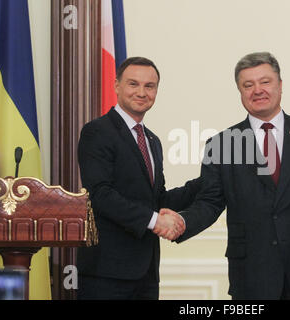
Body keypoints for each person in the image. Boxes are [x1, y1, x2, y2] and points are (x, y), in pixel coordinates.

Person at [163, 52, 290, 300]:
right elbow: (210, 203)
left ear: (280, 85)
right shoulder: (222, 144)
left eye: (265, 82)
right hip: (252, 275)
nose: (257, 90)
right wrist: (183, 221)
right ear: (240, 92)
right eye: (248, 85)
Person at [77, 57, 201, 300]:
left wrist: (210, 180)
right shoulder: (97, 132)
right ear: (117, 86)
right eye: (134, 84)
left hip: (145, 273)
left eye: (150, 86)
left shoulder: (152, 141)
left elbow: (158, 199)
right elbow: (100, 194)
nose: (142, 92)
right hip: (106, 273)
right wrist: (154, 221)